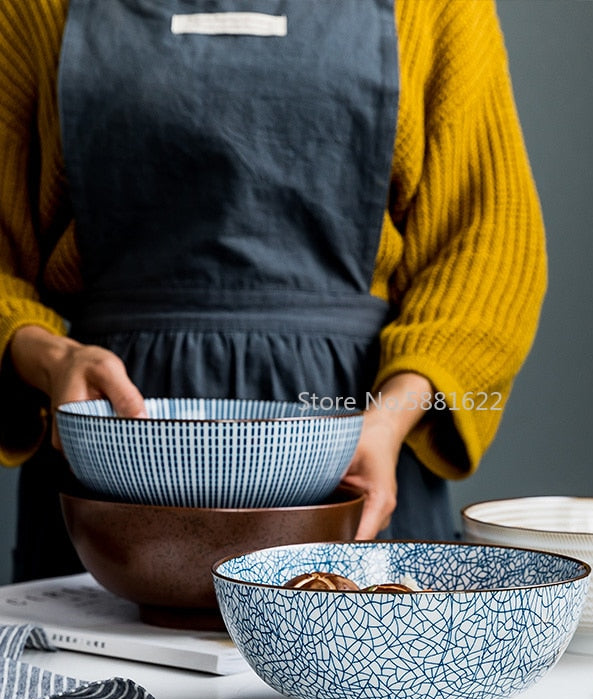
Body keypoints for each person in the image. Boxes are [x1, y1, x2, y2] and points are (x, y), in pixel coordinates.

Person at [0, 0, 547, 582]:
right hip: (110, 465)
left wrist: (390, 420)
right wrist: (50, 357)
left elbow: (487, 246)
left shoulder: (434, 9)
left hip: (356, 455)